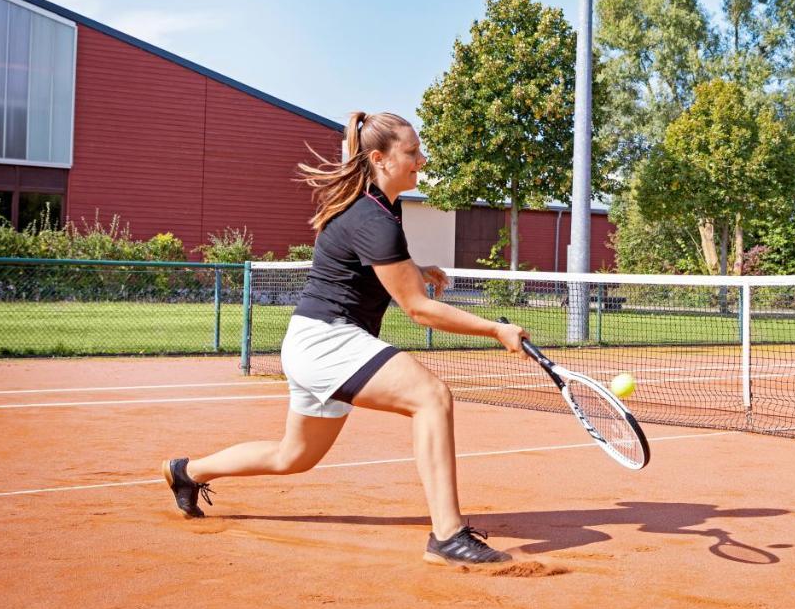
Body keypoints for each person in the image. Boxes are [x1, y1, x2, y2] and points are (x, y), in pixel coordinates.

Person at [162, 111, 529, 566]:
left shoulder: (378, 206)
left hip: (314, 341)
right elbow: (418, 310)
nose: (422, 160)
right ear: (379, 158)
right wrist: (496, 328)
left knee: (292, 457)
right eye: (412, 152)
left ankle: (186, 471)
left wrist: (416, 269)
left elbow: (372, 265)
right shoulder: (373, 217)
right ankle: (447, 536)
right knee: (431, 397)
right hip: (328, 341)